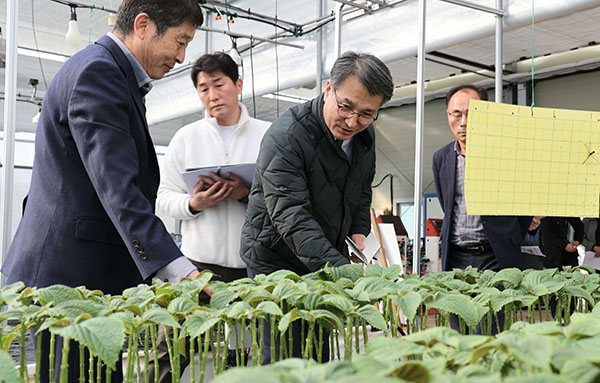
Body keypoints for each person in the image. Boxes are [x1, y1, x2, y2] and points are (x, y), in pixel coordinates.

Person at [1, 1, 206, 382]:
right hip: (69, 281)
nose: (181, 58)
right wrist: (178, 271)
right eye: (180, 42)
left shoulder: (109, 72)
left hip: (79, 274)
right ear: (143, 25)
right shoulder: (99, 72)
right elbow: (118, 189)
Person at [240, 51, 394, 363]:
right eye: (346, 106)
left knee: (318, 347)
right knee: (288, 355)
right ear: (328, 89)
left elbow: (362, 188)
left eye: (366, 114)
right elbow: (291, 218)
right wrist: (344, 273)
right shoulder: (286, 136)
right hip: (276, 258)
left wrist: (359, 232)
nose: (353, 121)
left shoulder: (364, 137)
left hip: (324, 257)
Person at [148, 52, 269, 381]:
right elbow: (163, 198)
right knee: (170, 349)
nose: (212, 95)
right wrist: (194, 204)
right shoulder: (186, 138)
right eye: (203, 88)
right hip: (198, 267)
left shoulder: (268, 136)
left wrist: (246, 194)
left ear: (238, 85)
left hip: (254, 267)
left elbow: (283, 198)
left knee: (248, 355)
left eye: (219, 84)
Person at [432, 84, 540, 333]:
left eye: (471, 113)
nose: (463, 122)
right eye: (456, 114)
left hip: (494, 257)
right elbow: (447, 204)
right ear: (447, 115)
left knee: (489, 330)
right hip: (456, 259)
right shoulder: (441, 158)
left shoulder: (506, 155)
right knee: (459, 330)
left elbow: (523, 202)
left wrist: (510, 235)